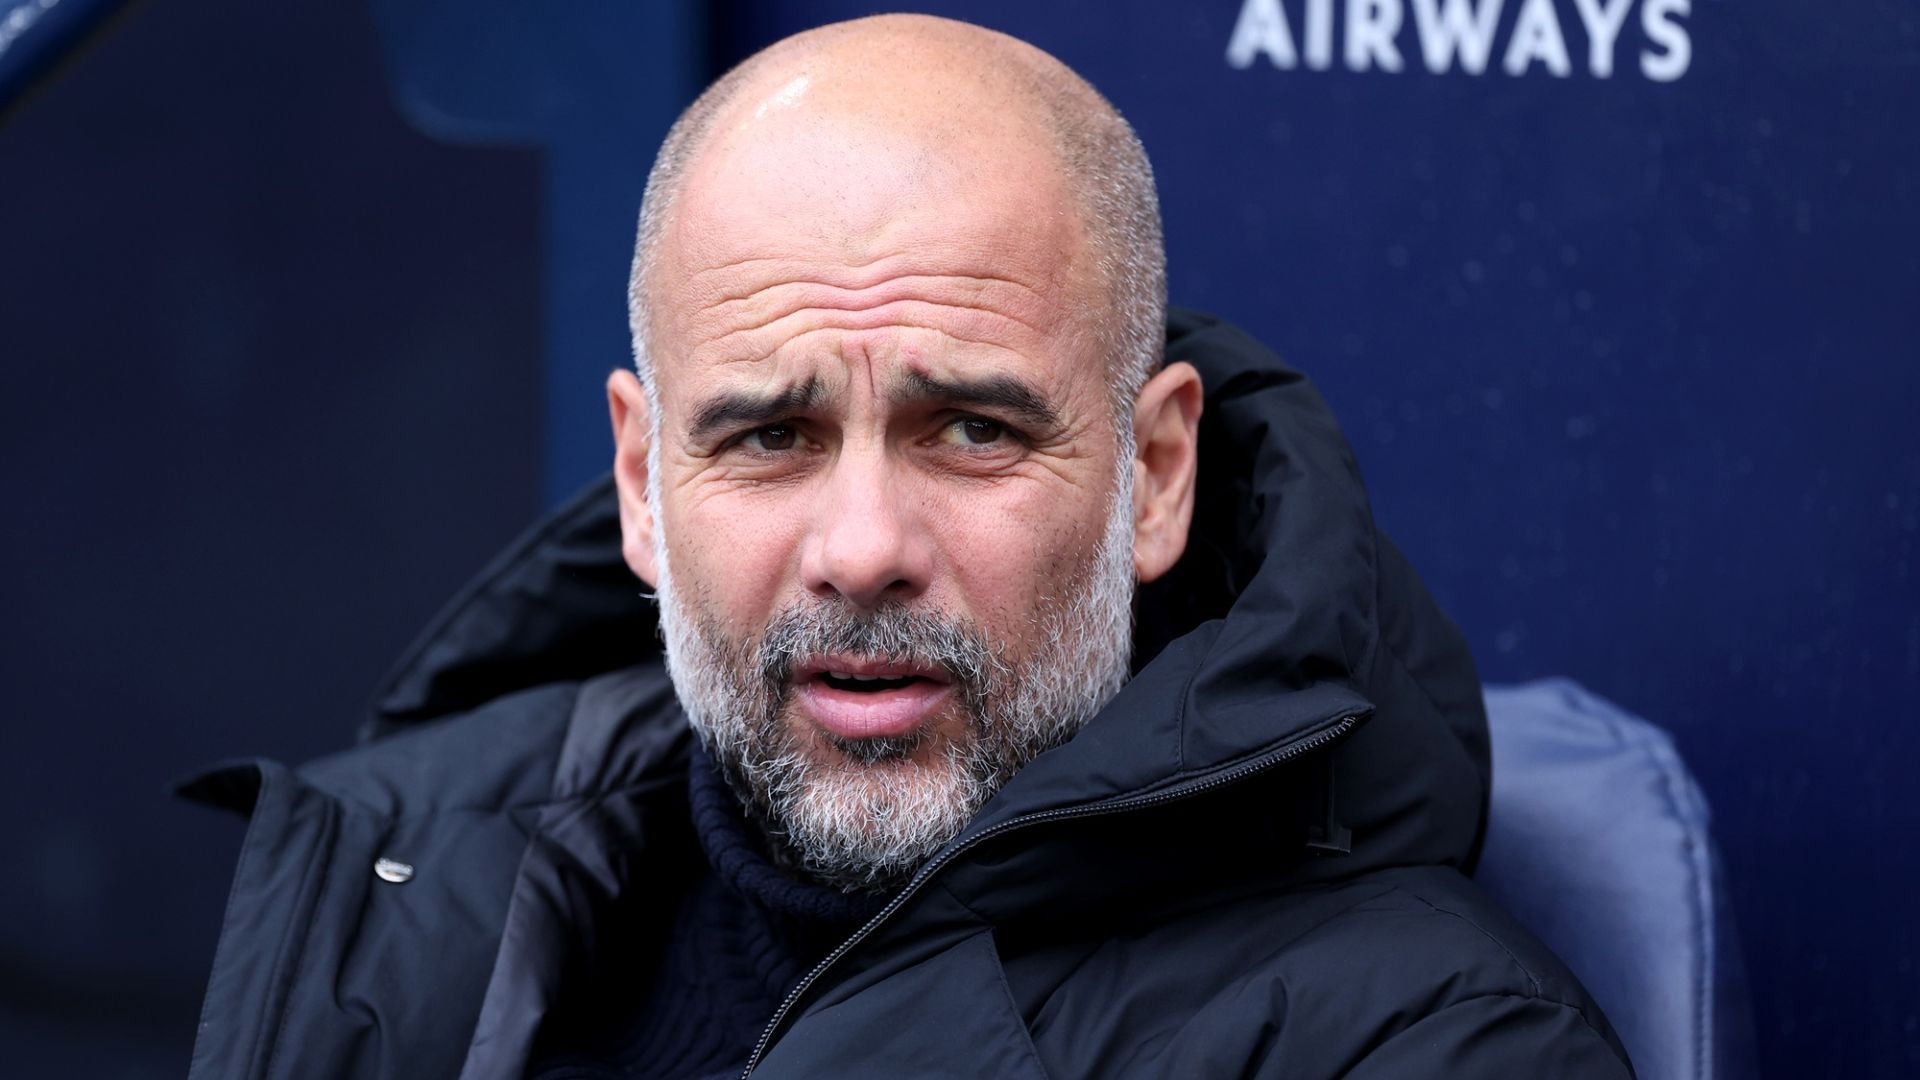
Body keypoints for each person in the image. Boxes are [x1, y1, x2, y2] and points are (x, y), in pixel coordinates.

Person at [182, 14, 1634, 1079]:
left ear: (1160, 473)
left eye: (975, 432)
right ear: (640, 482)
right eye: (769, 437)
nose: (864, 549)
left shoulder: (1425, 1046)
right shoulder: (394, 883)